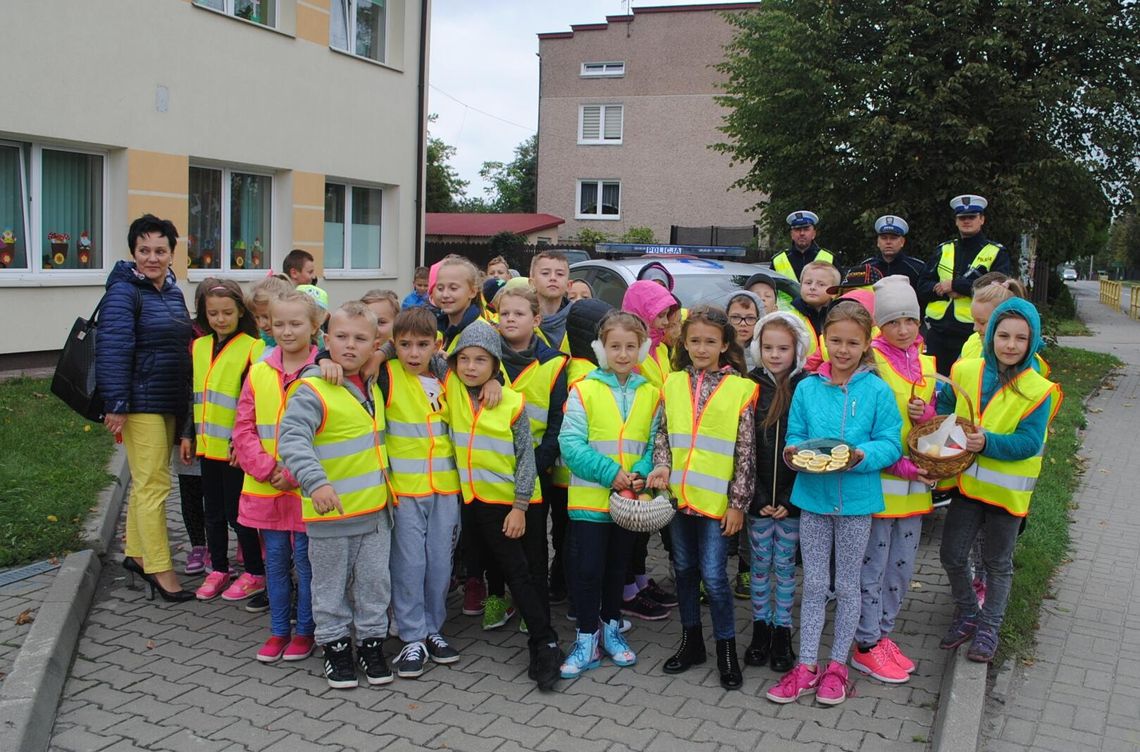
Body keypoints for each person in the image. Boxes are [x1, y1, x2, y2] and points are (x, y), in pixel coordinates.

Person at [765, 301, 902, 706]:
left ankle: (837, 668)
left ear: (866, 344)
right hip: (813, 499)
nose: (843, 350)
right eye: (835, 340)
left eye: (852, 343)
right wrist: (792, 454)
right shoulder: (807, 387)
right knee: (816, 584)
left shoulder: (877, 390)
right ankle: (806, 665)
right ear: (824, 341)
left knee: (846, 585)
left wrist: (862, 456)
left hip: (857, 502)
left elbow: (891, 443)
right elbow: (795, 435)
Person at [937, 299, 1061, 663]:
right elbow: (946, 404)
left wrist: (986, 442)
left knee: (997, 563)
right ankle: (967, 613)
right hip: (966, 486)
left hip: (1007, 494)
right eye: (1003, 335)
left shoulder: (1039, 388)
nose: (1010, 345)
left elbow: (1027, 442)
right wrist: (940, 428)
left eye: (1021, 338)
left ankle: (989, 628)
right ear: (990, 336)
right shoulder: (966, 370)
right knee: (952, 555)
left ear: (1032, 342)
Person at [277, 301, 394, 689]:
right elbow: (292, 440)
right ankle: (336, 648)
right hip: (330, 514)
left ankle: (372, 645)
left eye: (361, 339)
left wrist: (381, 352)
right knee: (329, 588)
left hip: (376, 513)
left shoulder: (374, 379)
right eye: (340, 338)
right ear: (326, 341)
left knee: (374, 586)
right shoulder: (314, 387)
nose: (349, 346)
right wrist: (317, 482)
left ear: (374, 344)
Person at [443, 319, 562, 690]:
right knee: (498, 569)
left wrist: (520, 506)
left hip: (513, 503)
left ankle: (545, 643)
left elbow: (526, 457)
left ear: (495, 365)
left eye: (481, 360)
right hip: (473, 500)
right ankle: (543, 637)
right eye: (464, 359)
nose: (470, 367)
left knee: (524, 572)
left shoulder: (511, 402)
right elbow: (404, 348)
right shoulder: (451, 386)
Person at [646, 306, 758, 690]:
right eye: (694, 340)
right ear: (684, 343)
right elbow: (662, 434)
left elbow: (746, 452)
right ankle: (692, 641)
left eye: (710, 341)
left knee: (714, 576)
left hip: (716, 504)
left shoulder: (741, 388)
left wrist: (738, 504)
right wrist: (661, 466)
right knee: (684, 571)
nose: (701, 347)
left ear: (725, 344)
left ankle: (725, 647)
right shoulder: (673, 382)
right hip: (678, 498)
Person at [97, 214, 194, 601]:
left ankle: (136, 554)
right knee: (155, 484)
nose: (152, 257)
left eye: (160, 250)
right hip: (139, 402)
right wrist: (117, 404)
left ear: (172, 253)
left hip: (167, 398)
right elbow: (114, 349)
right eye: (144, 250)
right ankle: (160, 568)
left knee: (145, 481)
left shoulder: (171, 291)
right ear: (133, 252)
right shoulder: (124, 292)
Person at [558, 311, 660, 678]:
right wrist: (610, 473)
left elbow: (655, 443)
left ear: (642, 349)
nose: (622, 354)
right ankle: (587, 636)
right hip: (589, 500)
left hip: (630, 503)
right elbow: (569, 443)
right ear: (602, 348)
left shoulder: (650, 393)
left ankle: (612, 629)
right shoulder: (584, 389)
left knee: (618, 568)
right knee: (587, 570)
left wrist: (642, 473)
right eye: (615, 346)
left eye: (630, 346)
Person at [851, 276, 937, 684]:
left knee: (901, 570)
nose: (903, 329)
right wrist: (899, 464)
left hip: (915, 488)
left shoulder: (925, 360)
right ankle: (864, 644)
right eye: (894, 321)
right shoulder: (871, 363)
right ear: (878, 326)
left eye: (910, 320)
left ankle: (883, 634)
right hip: (881, 486)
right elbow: (864, 427)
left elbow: (929, 422)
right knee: (873, 569)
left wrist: (927, 416)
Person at [232, 290, 322, 663]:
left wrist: (297, 474)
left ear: (314, 327)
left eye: (296, 323)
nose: (286, 331)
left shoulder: (325, 371)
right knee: (275, 563)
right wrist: (268, 470)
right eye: (279, 323)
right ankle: (278, 630)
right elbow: (244, 427)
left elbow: (331, 433)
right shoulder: (258, 371)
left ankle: (305, 630)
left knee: (306, 563)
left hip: (305, 491)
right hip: (267, 488)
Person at [382, 307, 463, 677]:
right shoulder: (386, 374)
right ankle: (412, 633)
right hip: (406, 492)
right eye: (405, 345)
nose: (413, 353)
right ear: (394, 345)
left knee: (440, 565)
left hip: (445, 490)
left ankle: (433, 628)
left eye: (422, 345)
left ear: (437, 344)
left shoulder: (449, 378)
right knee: (409, 565)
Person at [181, 279, 267, 602]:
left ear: (240, 312)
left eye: (227, 312)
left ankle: (255, 571)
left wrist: (241, 442)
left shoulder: (252, 347)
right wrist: (187, 434)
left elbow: (254, 401)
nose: (220, 319)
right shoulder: (199, 346)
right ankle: (218, 568)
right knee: (212, 511)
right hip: (207, 447)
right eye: (213, 313)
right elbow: (194, 396)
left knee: (239, 514)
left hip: (235, 450)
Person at [496, 287, 570, 621]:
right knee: (494, 543)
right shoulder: (485, 355)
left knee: (534, 544)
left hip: (535, 469)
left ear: (536, 319)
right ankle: (496, 597)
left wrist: (536, 466)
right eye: (504, 314)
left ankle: (534, 608)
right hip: (491, 469)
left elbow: (557, 422)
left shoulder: (554, 363)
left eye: (519, 314)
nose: (510, 319)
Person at [744, 311, 811, 673]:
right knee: (759, 566)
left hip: (791, 502)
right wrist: (753, 495)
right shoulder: (748, 384)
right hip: (756, 501)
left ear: (796, 348)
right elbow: (743, 448)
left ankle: (782, 630)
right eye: (767, 347)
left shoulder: (808, 386)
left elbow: (811, 448)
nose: (774, 355)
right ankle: (760, 629)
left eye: (782, 348)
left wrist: (789, 498)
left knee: (785, 567)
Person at [917, 195, 1012, 376]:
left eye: (972, 217)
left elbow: (999, 292)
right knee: (935, 387)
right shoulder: (943, 249)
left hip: (973, 334)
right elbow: (922, 287)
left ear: (981, 219)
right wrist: (946, 291)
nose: (966, 221)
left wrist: (955, 285)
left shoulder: (996, 252)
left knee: (968, 384)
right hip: (937, 333)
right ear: (956, 221)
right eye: (962, 218)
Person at [789, 261, 841, 361]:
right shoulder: (790, 319)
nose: (812, 287)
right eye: (808, 283)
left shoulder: (840, 318)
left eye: (821, 284)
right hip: (800, 374)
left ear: (834, 292)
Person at [856, 216, 925, 290]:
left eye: (893, 238)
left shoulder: (917, 268)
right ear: (878, 242)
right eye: (884, 238)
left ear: (902, 242)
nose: (888, 242)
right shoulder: (866, 268)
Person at [771, 211, 837, 282]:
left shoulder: (829, 259)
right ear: (791, 234)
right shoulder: (778, 260)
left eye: (806, 229)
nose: (802, 233)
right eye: (797, 229)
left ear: (814, 233)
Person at [531, 251, 573, 355]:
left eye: (560, 274)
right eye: (545, 273)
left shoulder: (579, 320)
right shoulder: (519, 318)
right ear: (532, 283)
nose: (553, 278)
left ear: (569, 285)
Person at [247, 275, 293, 347]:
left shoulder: (297, 350)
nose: (261, 324)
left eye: (266, 316)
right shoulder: (262, 345)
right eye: (257, 317)